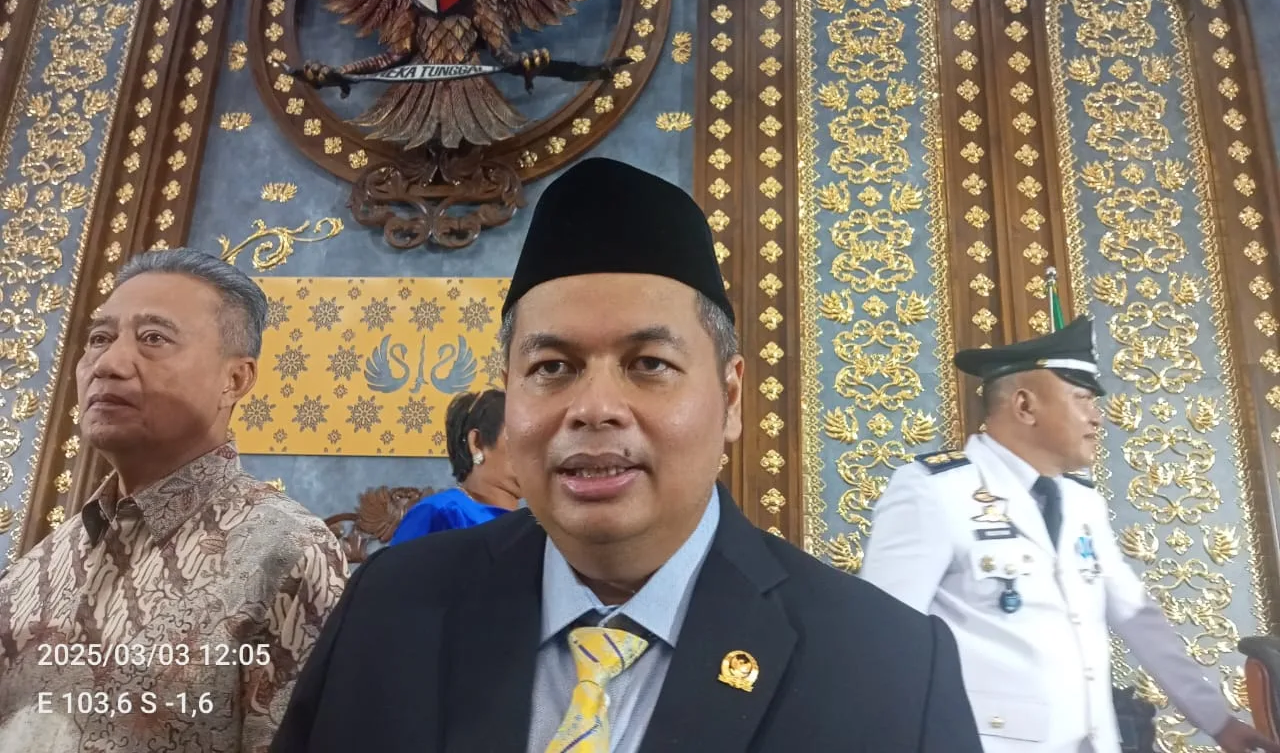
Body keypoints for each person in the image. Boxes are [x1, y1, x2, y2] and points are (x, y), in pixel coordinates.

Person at [269, 157, 982, 752]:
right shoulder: (392, 609)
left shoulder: (887, 666)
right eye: (552, 367)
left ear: (732, 398)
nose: (594, 407)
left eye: (648, 364)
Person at [860, 317, 1278, 753]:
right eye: (1082, 399)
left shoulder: (1082, 501)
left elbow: (1140, 621)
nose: (1097, 418)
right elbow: (883, 639)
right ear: (1025, 406)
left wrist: (1218, 722)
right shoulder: (935, 491)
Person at [0, 248, 348, 753]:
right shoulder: (35, 570)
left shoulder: (288, 553)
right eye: (99, 339)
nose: (108, 364)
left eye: (153, 339)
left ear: (235, 379)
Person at [389, 389, 519, 543]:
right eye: (518, 438)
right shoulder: (440, 513)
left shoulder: (531, 523)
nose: (535, 453)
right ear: (476, 443)